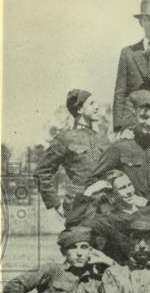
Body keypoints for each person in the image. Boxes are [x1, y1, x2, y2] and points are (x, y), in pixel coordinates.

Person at [34, 89, 108, 221]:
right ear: (79, 109)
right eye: (92, 103)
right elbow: (41, 171)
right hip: (79, 207)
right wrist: (55, 204)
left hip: (104, 206)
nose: (97, 107)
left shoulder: (102, 139)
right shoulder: (65, 138)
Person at [91, 103, 150, 207]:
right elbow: (93, 181)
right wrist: (123, 196)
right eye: (144, 117)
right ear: (135, 119)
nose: (148, 122)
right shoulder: (119, 148)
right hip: (126, 214)